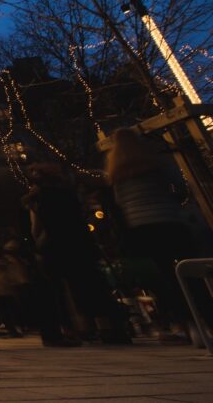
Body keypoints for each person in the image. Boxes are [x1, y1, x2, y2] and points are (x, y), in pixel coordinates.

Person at [23, 162, 131, 345]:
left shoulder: (37, 199)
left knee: (63, 290)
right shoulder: (68, 194)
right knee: (90, 284)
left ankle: (72, 329)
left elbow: (36, 228)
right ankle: (106, 327)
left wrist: (37, 244)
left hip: (53, 245)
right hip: (78, 242)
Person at [106, 128, 196, 340]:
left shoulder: (117, 172)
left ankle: (180, 323)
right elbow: (181, 187)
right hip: (169, 220)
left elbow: (120, 202)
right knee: (190, 269)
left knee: (163, 275)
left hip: (141, 226)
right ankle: (201, 315)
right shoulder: (155, 163)